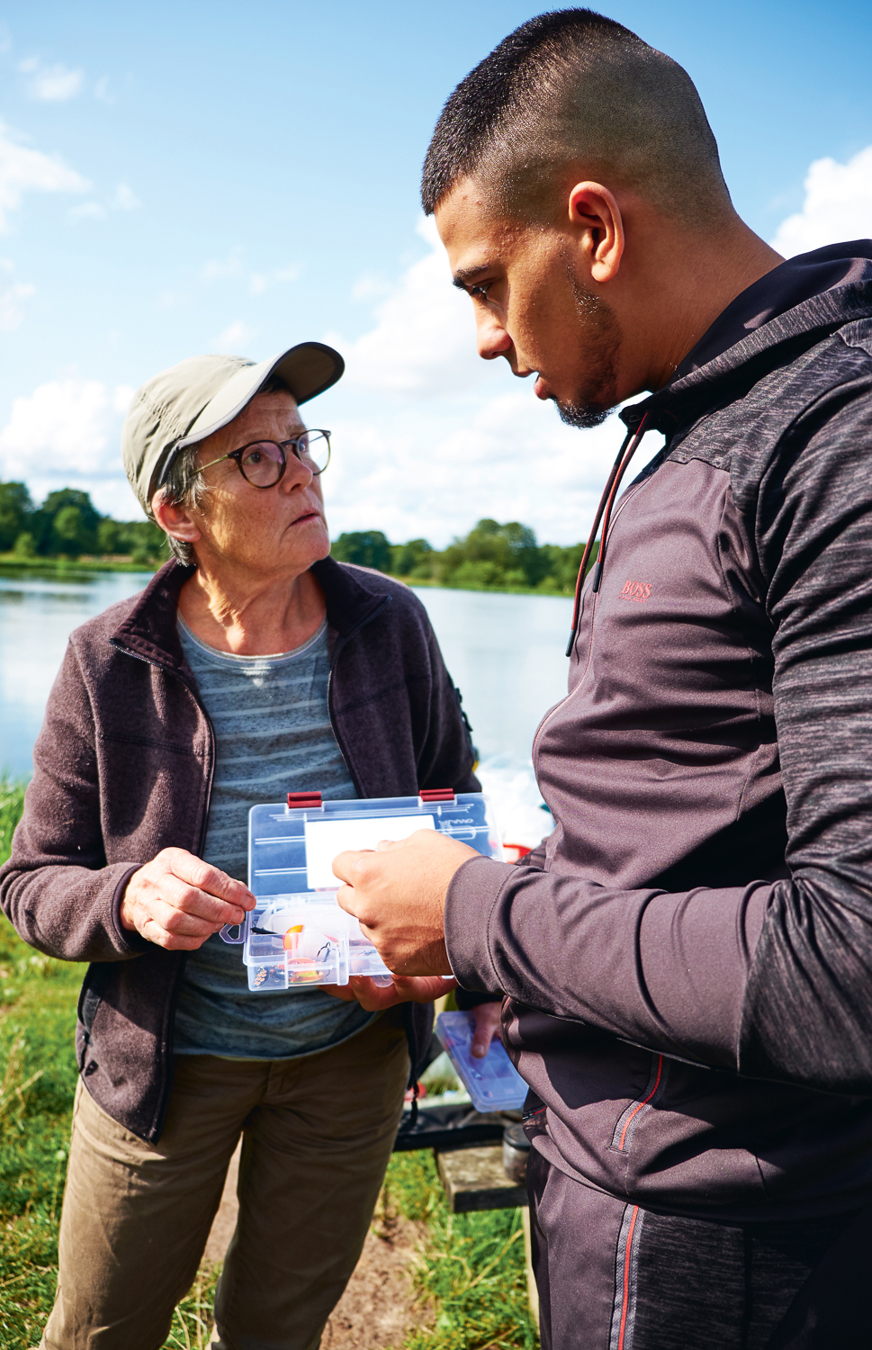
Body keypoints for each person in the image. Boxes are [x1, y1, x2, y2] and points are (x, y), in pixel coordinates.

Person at [333, 11, 872, 1348]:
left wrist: (477, 911)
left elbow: (850, 967)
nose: (477, 334)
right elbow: (693, 815)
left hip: (733, 1240)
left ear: (594, 226)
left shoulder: (836, 438)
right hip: (607, 1170)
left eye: (481, 280)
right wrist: (507, 909)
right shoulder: (691, 423)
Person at [0, 343, 492, 1350]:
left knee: (275, 1332)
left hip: (347, 1062)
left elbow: (458, 810)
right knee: (99, 1332)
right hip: (165, 1064)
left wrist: (432, 968)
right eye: (259, 459)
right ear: (179, 512)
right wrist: (127, 899)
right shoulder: (106, 660)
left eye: (301, 444)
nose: (303, 471)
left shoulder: (392, 623)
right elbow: (30, 882)